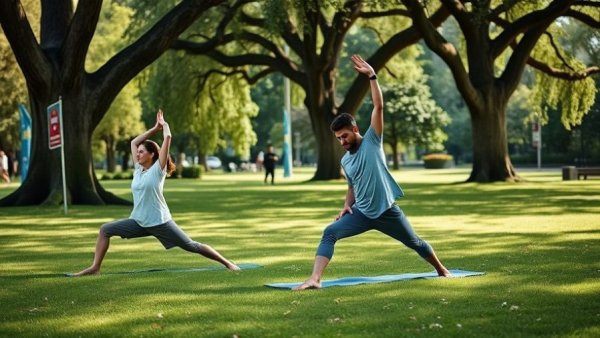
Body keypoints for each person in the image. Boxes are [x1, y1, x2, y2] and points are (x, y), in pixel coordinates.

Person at [294, 55, 450, 290]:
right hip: (361, 213)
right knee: (329, 232)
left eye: (344, 136)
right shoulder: (346, 160)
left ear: (355, 129)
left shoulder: (372, 141)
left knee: (415, 242)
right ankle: (315, 279)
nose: (342, 142)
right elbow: (351, 185)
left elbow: (378, 106)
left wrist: (372, 76)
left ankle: (442, 270)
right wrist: (347, 204)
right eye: (338, 139)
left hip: (387, 211)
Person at [72, 110, 239, 276]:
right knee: (105, 230)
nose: (137, 154)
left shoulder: (158, 170)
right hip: (138, 221)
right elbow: (133, 142)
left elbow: (168, 138)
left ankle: (227, 263)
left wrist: (164, 125)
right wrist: (154, 129)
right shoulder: (138, 169)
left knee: (191, 245)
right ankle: (95, 268)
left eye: (142, 152)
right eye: (138, 152)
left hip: (160, 222)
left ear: (152, 155)